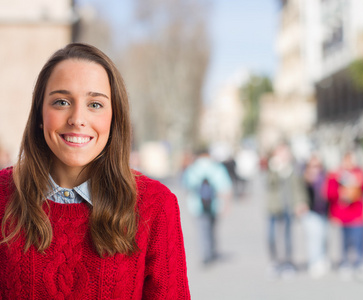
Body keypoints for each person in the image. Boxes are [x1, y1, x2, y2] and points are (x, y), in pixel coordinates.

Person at [0, 43, 190, 299]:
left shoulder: (156, 205)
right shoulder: (3, 196)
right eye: (62, 101)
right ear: (39, 114)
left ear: (114, 117)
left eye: (95, 104)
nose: (77, 119)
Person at [325, 151, 363, 281]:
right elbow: (329, 193)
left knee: (359, 240)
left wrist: (360, 180)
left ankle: (360, 262)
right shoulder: (337, 175)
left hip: (357, 214)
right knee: (345, 241)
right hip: (344, 215)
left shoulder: (359, 173)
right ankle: (345, 262)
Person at [182, 147, 232, 266]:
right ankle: (212, 251)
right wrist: (227, 205)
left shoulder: (192, 168)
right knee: (212, 228)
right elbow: (225, 186)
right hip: (215, 204)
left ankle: (205, 254)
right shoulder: (216, 167)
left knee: (201, 230)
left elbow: (186, 185)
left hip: (196, 205)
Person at [265, 142, 305, 279]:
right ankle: (275, 262)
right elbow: (269, 183)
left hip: (288, 206)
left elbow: (298, 187)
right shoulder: (272, 168)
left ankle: (288, 262)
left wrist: (300, 203)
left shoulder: (293, 169)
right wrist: (276, 168)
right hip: (273, 207)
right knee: (271, 236)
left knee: (288, 236)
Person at [296, 154, 329, 279]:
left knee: (324, 236)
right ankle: (314, 262)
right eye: (312, 166)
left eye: (317, 166)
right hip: (310, 212)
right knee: (313, 238)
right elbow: (299, 193)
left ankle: (322, 258)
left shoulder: (325, 177)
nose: (315, 168)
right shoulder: (304, 178)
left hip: (324, 212)